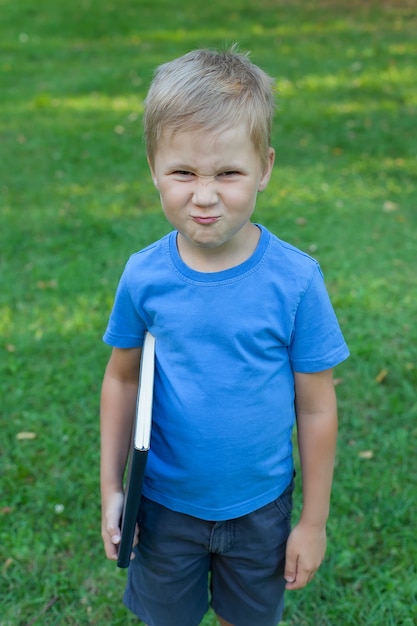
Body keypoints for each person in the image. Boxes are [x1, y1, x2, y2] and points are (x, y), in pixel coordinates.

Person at [100, 47, 349, 626]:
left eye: (228, 173)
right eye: (183, 172)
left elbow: (316, 407)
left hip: (260, 509)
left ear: (264, 166)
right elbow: (121, 378)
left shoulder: (295, 281)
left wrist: (312, 522)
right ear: (153, 168)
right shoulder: (145, 275)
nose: (205, 195)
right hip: (162, 508)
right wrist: (112, 489)